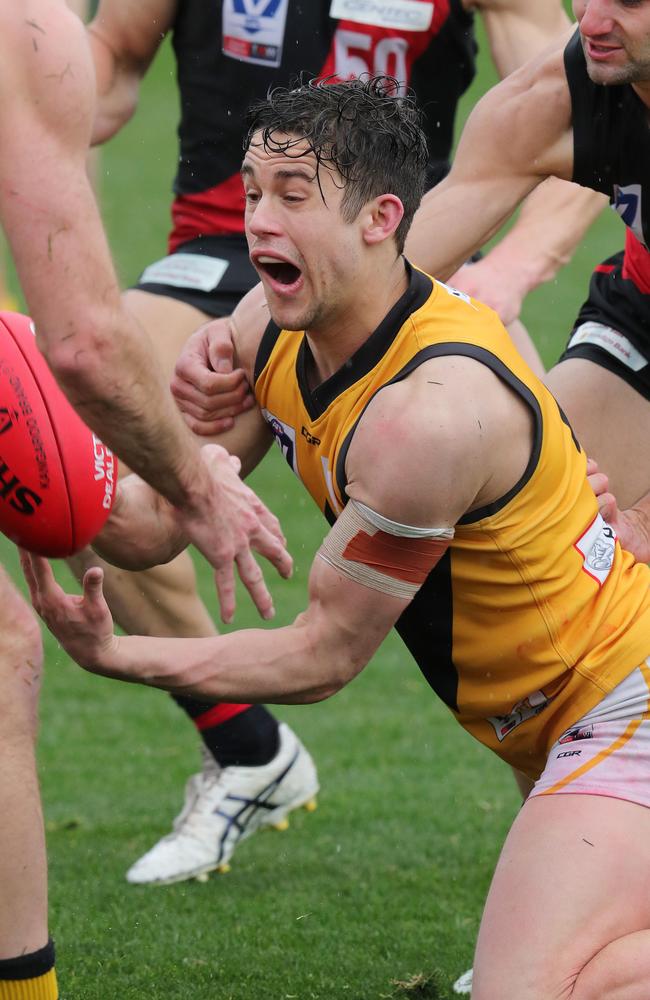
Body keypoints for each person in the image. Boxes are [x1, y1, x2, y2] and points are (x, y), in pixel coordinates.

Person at [23, 77, 650, 999]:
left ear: (379, 218)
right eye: (249, 192)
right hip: (549, 729)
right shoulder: (267, 333)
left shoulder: (426, 421)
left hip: (620, 712)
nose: (257, 224)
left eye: (292, 196)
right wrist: (43, 444)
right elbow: (158, 524)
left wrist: (120, 654)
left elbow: (321, 657)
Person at [79, 0, 604, 888]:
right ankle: (248, 752)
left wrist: (511, 269)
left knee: (563, 529)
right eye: (260, 192)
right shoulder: (263, 309)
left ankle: (580, 837)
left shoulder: (432, 406)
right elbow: (107, 58)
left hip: (393, 260)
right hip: (242, 266)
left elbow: (564, 105)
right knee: (93, 426)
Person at [0, 2, 288, 996]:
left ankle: (245, 744)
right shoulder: (26, 36)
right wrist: (189, 482)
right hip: (210, 261)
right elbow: (81, 342)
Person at [404, 0, 650, 563]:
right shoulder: (565, 87)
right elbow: (391, 273)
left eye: (629, 1)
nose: (588, 21)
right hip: (641, 313)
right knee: (518, 542)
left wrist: (641, 523)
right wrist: (250, 339)